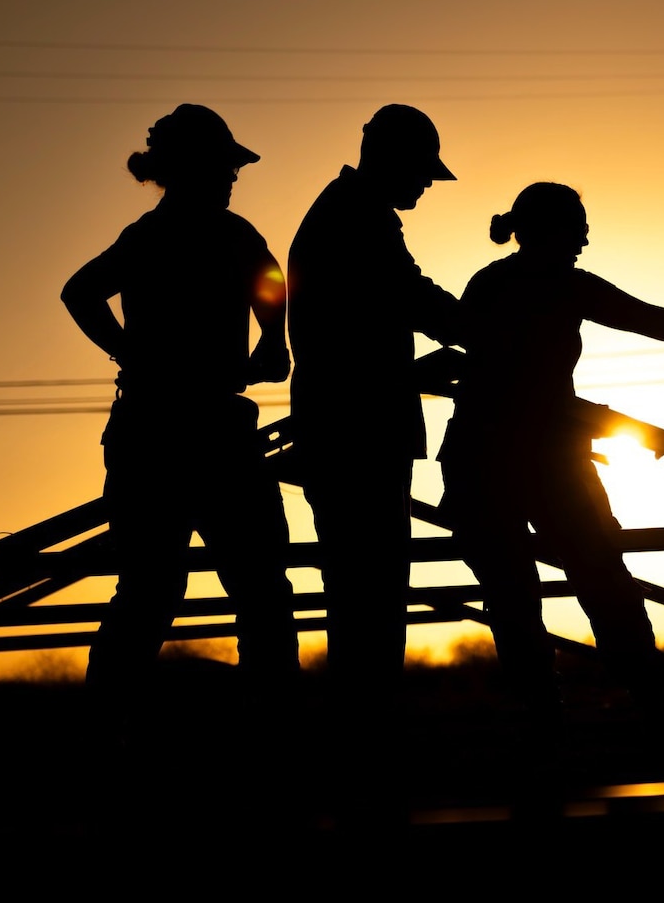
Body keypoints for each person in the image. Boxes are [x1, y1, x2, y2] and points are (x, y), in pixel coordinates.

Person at [437, 181, 664, 724]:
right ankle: (644, 707)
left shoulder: (498, 283)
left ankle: (555, 720)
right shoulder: (556, 286)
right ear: (552, 230)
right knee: (594, 581)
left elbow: (648, 318)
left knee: (519, 594)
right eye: (579, 228)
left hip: (493, 459)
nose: (586, 240)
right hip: (531, 459)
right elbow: (649, 318)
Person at [61, 103, 300, 706]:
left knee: (153, 592)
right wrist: (273, 342)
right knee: (252, 591)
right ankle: (273, 736)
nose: (233, 178)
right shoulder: (221, 233)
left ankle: (105, 731)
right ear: (194, 169)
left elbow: (81, 291)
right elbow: (270, 283)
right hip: (200, 432)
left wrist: (129, 352)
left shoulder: (156, 237)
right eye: (225, 167)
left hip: (157, 429)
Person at [286, 104, 462, 726]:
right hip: (356, 433)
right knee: (373, 593)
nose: (423, 186)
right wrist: (485, 330)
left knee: (362, 593)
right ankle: (366, 736)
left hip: (344, 427)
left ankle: (361, 732)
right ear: (394, 159)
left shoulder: (346, 210)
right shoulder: (358, 216)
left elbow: (365, 321)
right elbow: (406, 298)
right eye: (421, 172)